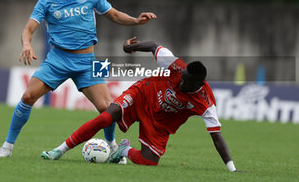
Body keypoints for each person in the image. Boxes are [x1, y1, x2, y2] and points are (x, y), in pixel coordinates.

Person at [0, 0, 157, 158]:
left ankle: (112, 147)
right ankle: (7, 147)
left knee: (108, 108)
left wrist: (137, 20)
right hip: (57, 59)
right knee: (28, 96)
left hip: (89, 60)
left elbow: (113, 14)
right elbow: (28, 29)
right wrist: (27, 43)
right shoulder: (46, 0)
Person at [40, 37, 237, 171]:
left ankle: (122, 150)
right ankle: (60, 150)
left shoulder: (206, 102)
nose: (181, 81)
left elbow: (217, 137)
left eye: (186, 82)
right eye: (182, 77)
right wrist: (130, 48)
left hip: (160, 123)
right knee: (107, 116)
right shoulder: (176, 65)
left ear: (199, 84)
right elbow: (153, 45)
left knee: (149, 162)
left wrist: (232, 169)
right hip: (142, 94)